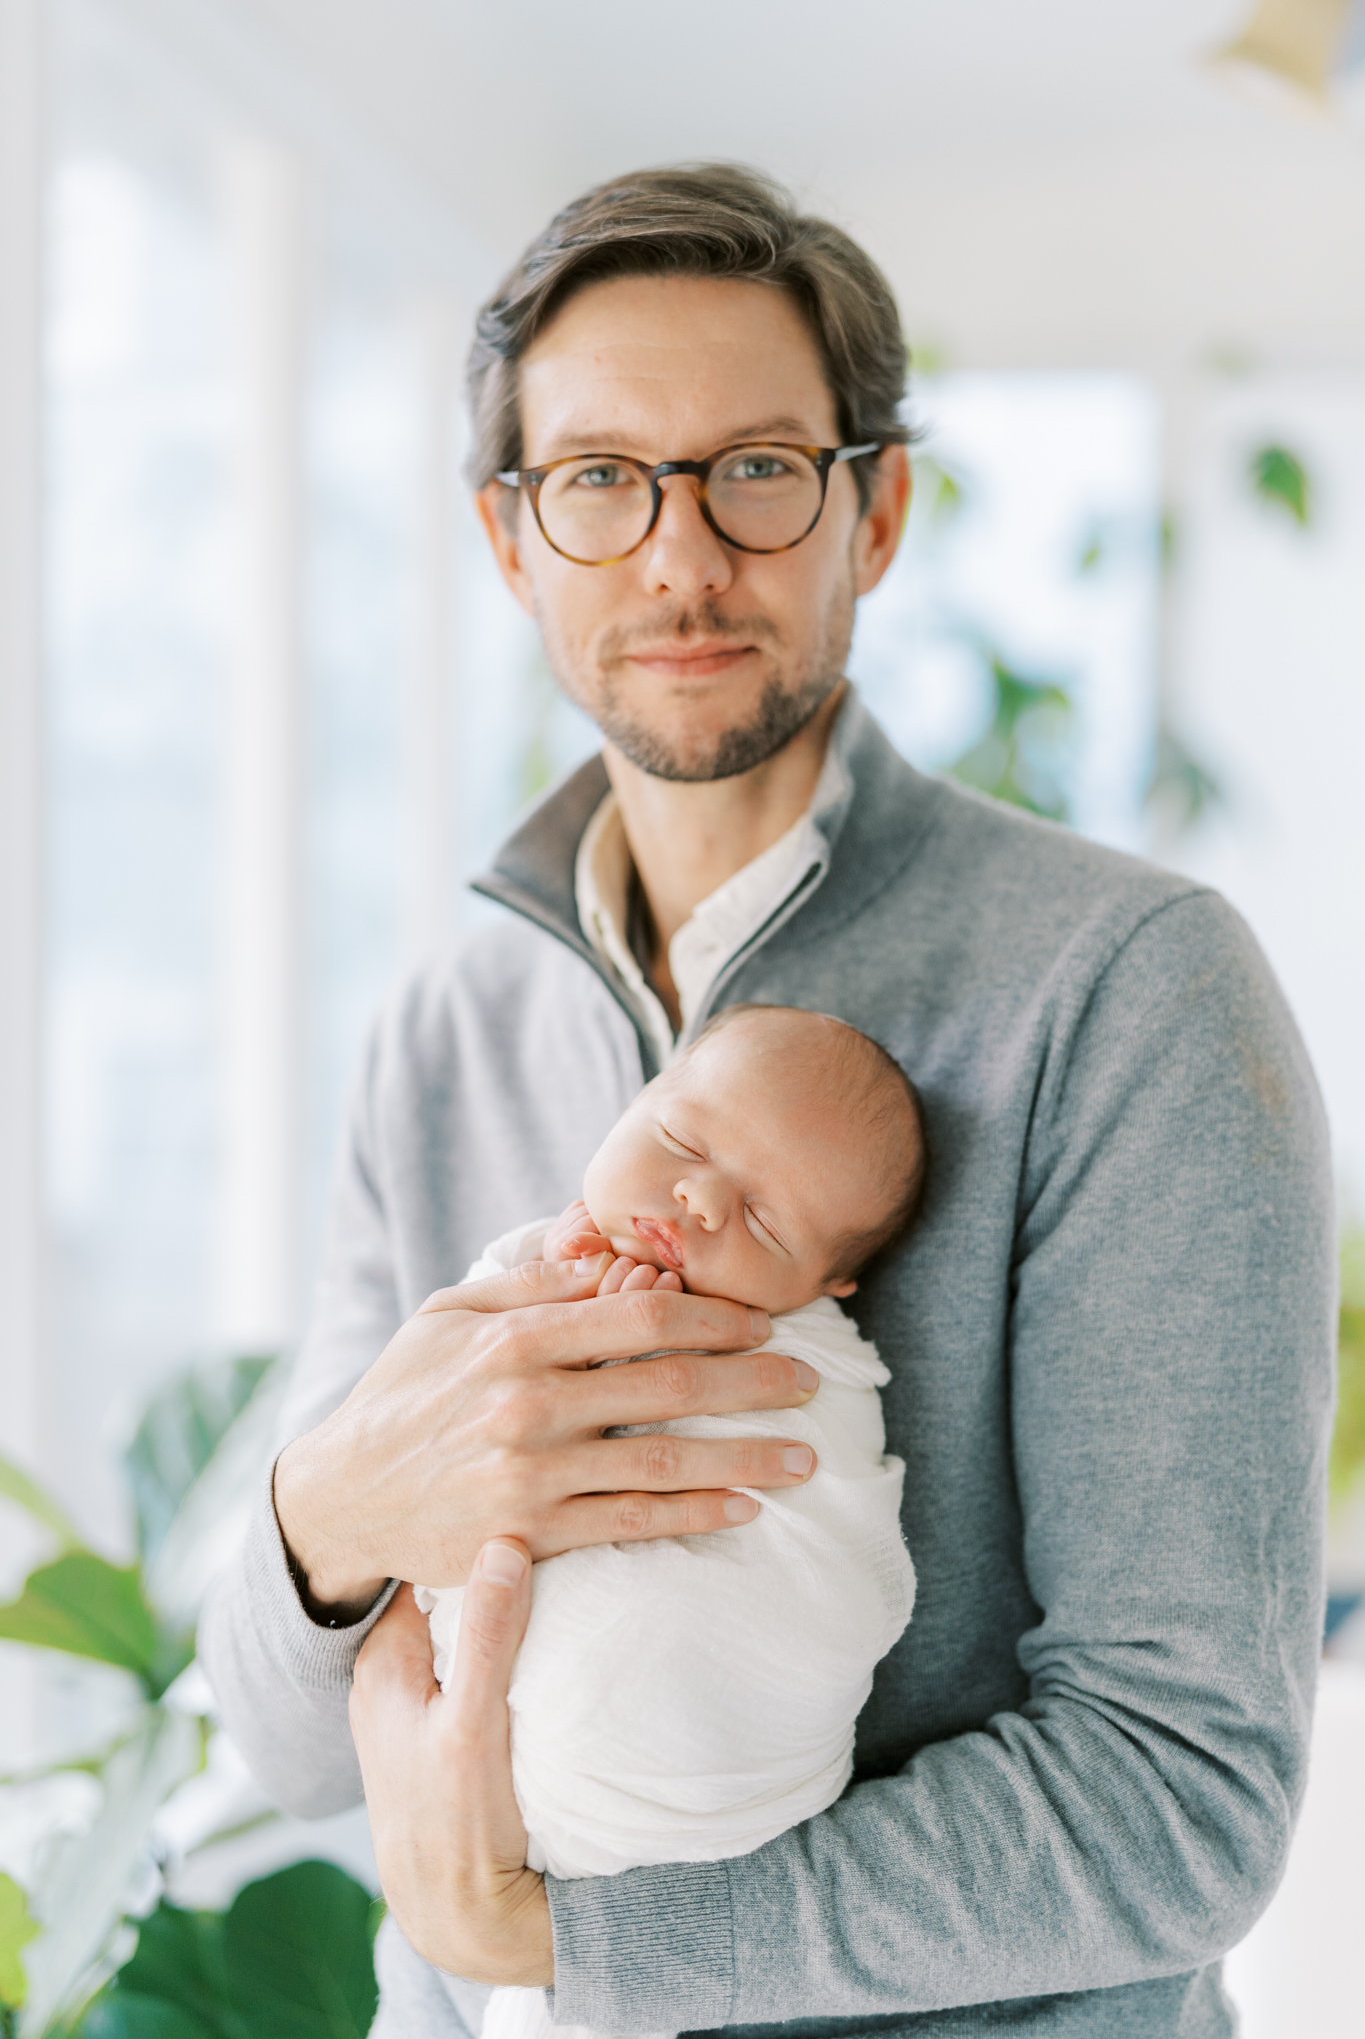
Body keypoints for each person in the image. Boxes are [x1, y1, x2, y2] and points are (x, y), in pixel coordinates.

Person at [199, 164, 1335, 2039]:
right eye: (598, 479)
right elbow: (280, 1736)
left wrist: (572, 1941)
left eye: (756, 468)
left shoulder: (1129, 990)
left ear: (872, 510)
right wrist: (329, 1507)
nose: (677, 553)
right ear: (512, 541)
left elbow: (1184, 1802)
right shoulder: (443, 1032)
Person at [417, 1005, 924, 2039]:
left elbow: (833, 1548)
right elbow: (431, 1425)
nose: (695, 1198)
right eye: (680, 1142)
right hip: (474, 1864)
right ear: (637, 1099)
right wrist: (543, 1299)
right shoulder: (523, 1227)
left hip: (711, 1778)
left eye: (766, 1224)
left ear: (829, 1284)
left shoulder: (809, 1357)